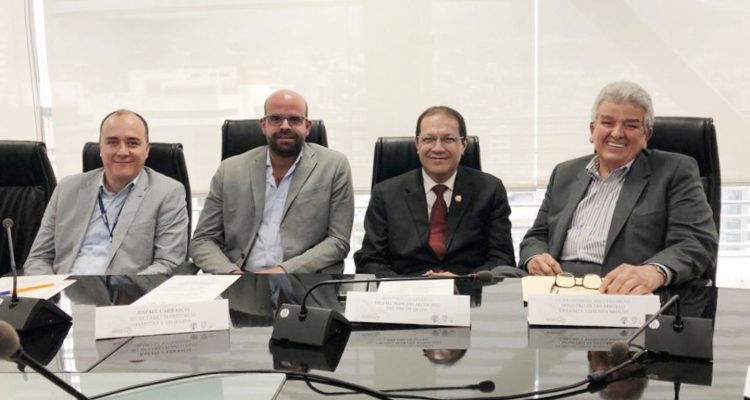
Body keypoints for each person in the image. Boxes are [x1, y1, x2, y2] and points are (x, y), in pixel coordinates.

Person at [519, 81, 718, 294]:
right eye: (607, 123)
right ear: (592, 130)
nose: (616, 133)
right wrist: (535, 257)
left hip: (620, 291)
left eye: (630, 126)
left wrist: (653, 272)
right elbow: (537, 236)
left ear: (646, 135)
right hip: (557, 288)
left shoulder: (675, 171)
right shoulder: (565, 173)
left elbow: (697, 243)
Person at [190, 89, 354, 274]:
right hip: (239, 277)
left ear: (307, 126)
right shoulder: (230, 170)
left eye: (294, 119)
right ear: (263, 125)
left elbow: (338, 241)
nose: (285, 126)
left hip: (304, 279)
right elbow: (203, 241)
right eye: (276, 119)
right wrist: (232, 274)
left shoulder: (333, 166)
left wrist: (282, 271)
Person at [354, 106, 515, 276]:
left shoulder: (489, 190)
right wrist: (405, 287)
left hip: (468, 288)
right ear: (418, 144)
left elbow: (502, 258)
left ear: (463, 145)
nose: (438, 148)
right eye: (429, 139)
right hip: (405, 289)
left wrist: (465, 281)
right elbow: (370, 260)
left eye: (448, 139)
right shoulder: (386, 193)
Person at [24, 110, 189, 275]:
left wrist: (125, 289)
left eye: (132, 143)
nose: (122, 152)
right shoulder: (66, 189)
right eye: (112, 142)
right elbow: (39, 258)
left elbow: (167, 263)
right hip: (64, 287)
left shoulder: (167, 193)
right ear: (101, 148)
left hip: (129, 289)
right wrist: (52, 288)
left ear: (146, 150)